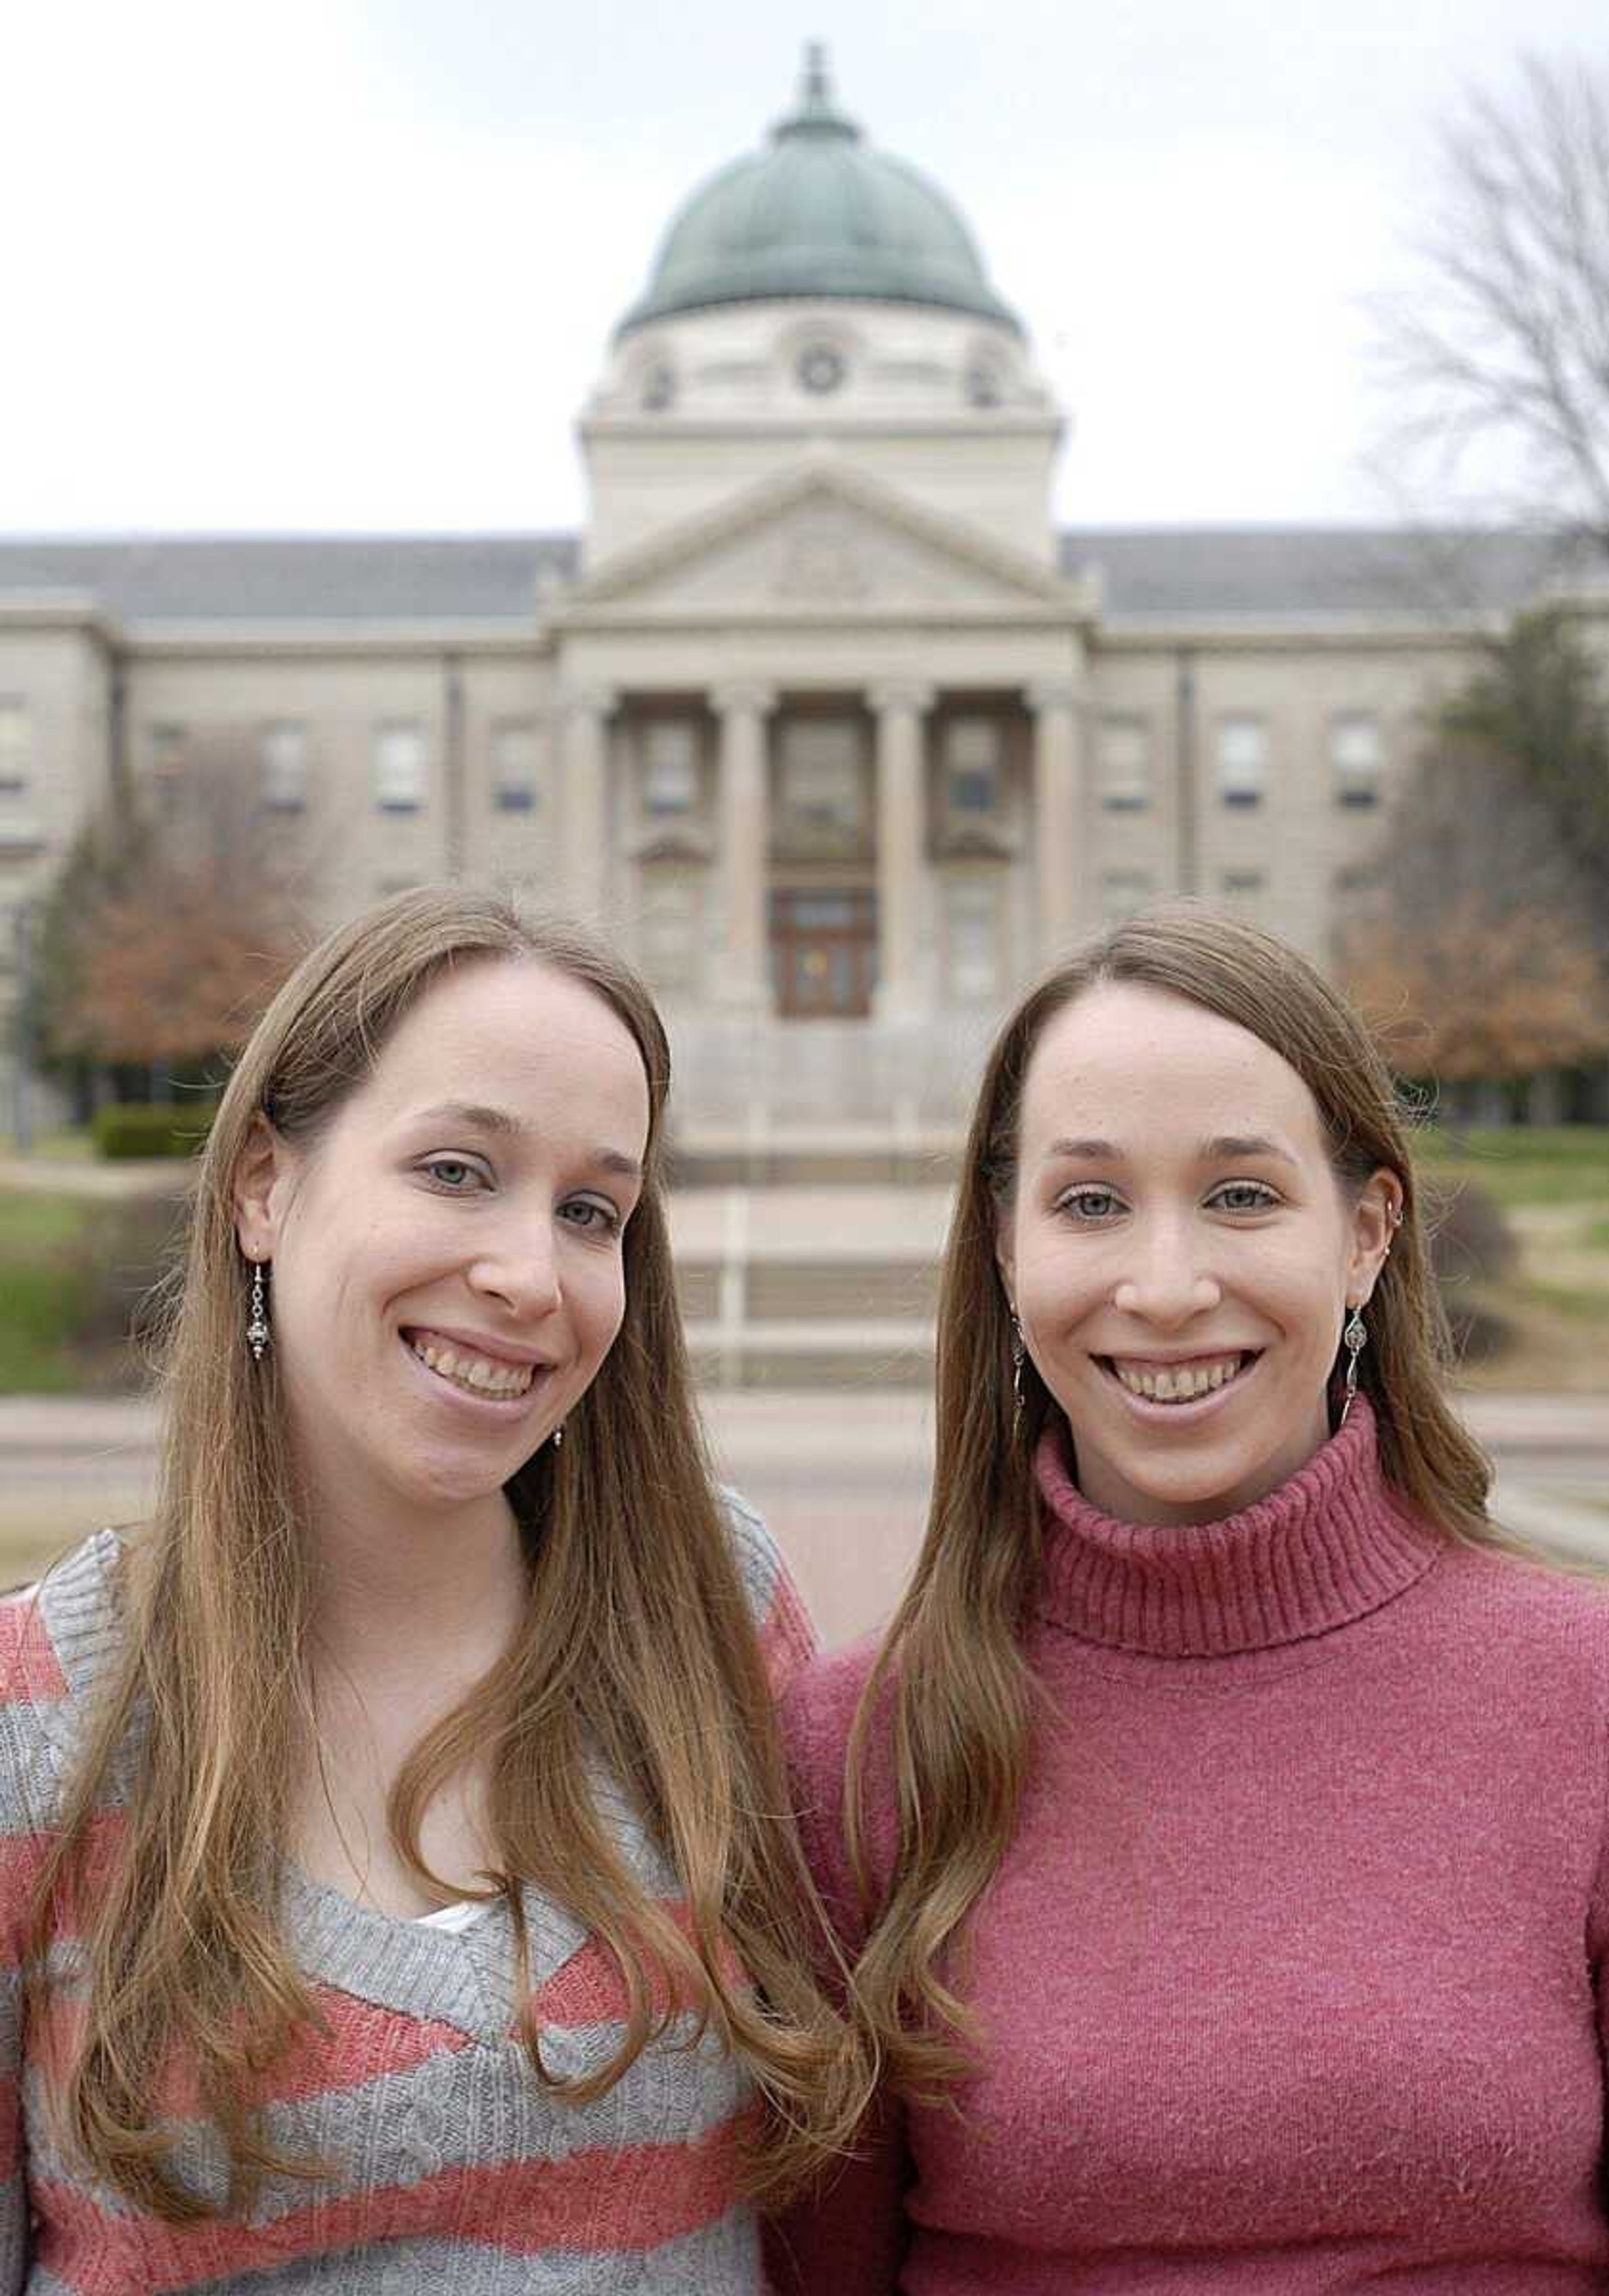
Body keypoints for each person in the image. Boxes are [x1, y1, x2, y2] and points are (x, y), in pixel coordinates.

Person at [0, 885, 864, 2293]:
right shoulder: (32, 1721)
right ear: (264, 1188)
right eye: (459, 1171)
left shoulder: (712, 1610)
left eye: (593, 1210)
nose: (531, 1273)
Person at [769, 904, 1609, 2293]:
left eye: (1240, 1195)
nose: (1165, 1288)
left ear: (1367, 1234)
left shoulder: (1582, 1697)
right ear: (1004, 1245)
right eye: (1091, 1202)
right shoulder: (856, 1746)